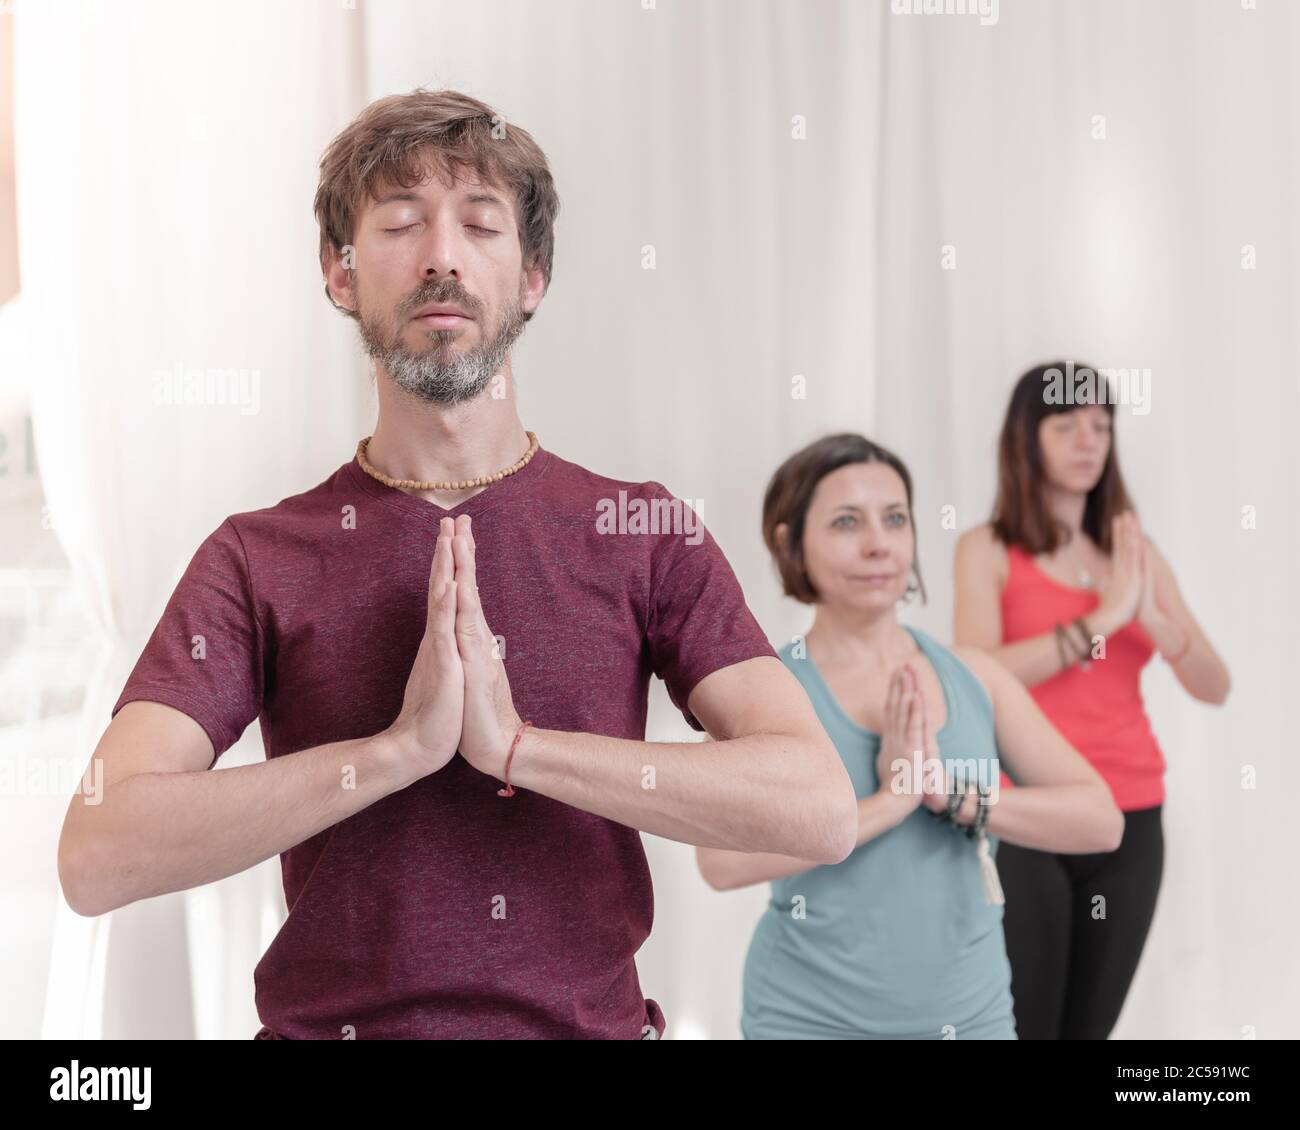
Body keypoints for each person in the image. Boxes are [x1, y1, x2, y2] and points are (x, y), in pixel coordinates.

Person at [56, 88, 859, 1040]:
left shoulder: (640, 529)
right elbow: (97, 853)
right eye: (400, 222)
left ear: (532, 278)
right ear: (340, 272)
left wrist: (520, 748)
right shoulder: (255, 557)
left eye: (480, 224)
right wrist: (393, 754)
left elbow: (817, 809)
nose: (441, 253)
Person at [697, 433, 1124, 1039]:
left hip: (971, 1018)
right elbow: (720, 862)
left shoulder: (976, 675)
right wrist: (888, 803)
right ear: (790, 542)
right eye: (847, 522)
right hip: (806, 1022)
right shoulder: (760, 687)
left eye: (894, 519)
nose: (878, 544)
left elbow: (1100, 820)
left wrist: (955, 797)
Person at [953, 361, 1230, 1039]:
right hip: (1029, 813)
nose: (1088, 440)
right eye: (1067, 423)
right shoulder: (987, 550)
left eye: (1102, 425)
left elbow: (1215, 686)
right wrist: (1100, 621)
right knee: (1028, 1029)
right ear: (1027, 436)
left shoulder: (1134, 553)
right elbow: (974, 672)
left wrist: (1165, 634)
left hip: (1132, 818)